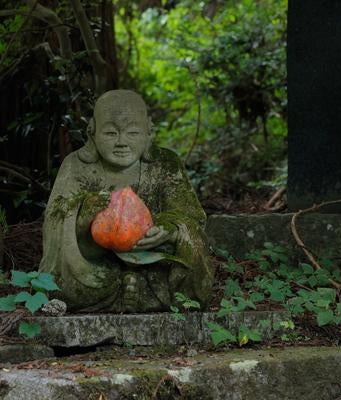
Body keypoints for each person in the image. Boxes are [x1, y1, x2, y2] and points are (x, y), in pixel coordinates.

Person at [39, 90, 214, 312]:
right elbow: (55, 219)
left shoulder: (165, 164)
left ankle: (134, 289)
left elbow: (191, 215)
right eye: (111, 133)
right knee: (59, 285)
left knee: (192, 239)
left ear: (149, 133)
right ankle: (127, 292)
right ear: (92, 133)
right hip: (95, 265)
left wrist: (170, 228)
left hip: (153, 259)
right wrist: (82, 215)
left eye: (132, 132)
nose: (121, 142)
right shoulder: (75, 166)